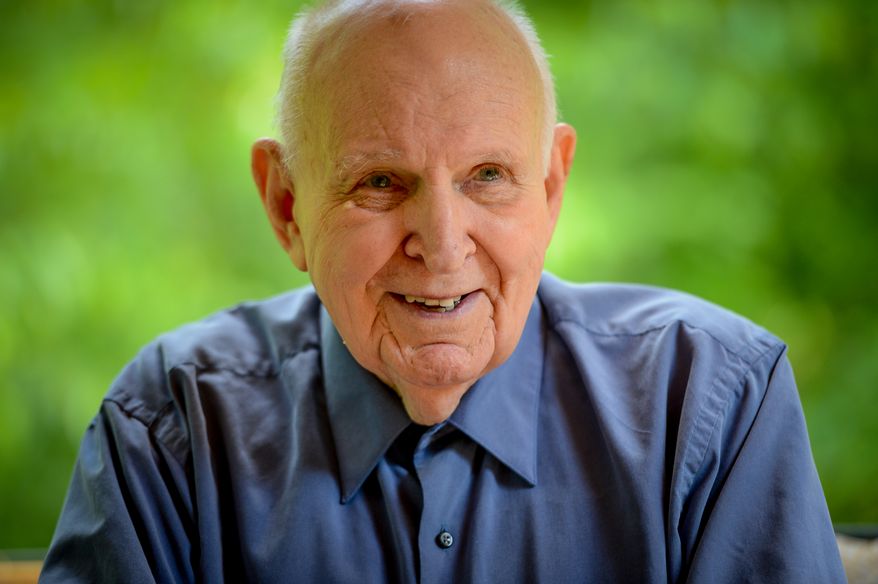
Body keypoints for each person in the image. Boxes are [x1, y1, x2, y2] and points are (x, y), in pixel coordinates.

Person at [41, 0, 846, 582]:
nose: (443, 241)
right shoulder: (170, 431)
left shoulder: (708, 404)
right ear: (287, 206)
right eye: (381, 182)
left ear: (552, 187)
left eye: (488, 176)